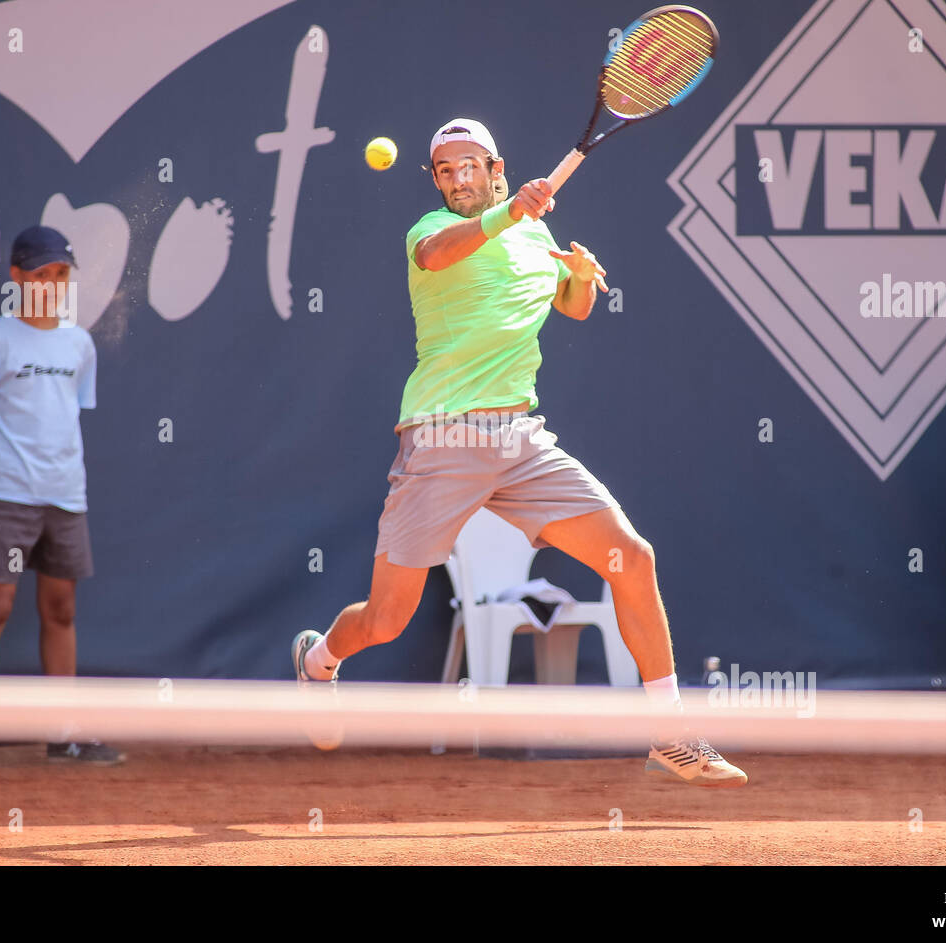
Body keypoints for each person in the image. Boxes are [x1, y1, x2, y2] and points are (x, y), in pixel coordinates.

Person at [291, 119, 745, 786]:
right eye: (445, 170)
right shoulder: (429, 231)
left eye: (469, 165)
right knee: (386, 619)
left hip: (520, 439)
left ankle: (670, 732)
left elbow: (573, 307)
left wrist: (579, 277)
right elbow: (440, 255)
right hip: (441, 439)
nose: (457, 179)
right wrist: (509, 213)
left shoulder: (535, 236)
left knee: (631, 557)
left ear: (495, 167)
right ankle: (319, 660)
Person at [0, 225, 124, 770]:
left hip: (66, 498)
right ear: (17, 277)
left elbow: (67, 418)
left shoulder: (79, 343)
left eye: (61, 274)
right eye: (42, 273)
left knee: (61, 609)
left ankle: (63, 733)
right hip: (7, 498)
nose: (52, 283)